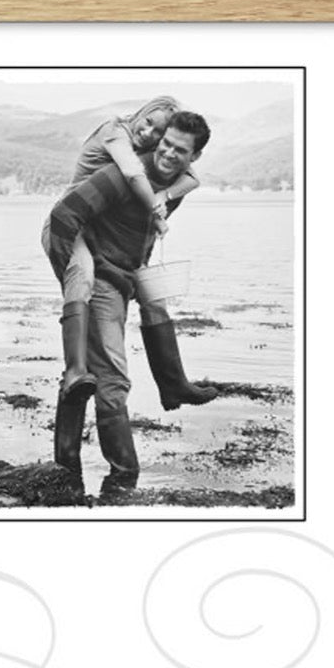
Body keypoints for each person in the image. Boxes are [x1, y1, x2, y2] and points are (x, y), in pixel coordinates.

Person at [45, 111, 217, 488]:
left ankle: (171, 385)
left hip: (129, 273)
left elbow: (144, 231)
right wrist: (76, 281)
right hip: (103, 280)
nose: (169, 154)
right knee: (113, 377)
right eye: (166, 144)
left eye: (180, 150)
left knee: (156, 304)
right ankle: (122, 475)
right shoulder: (122, 177)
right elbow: (64, 215)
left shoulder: (175, 187)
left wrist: (138, 272)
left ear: (194, 157)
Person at [41, 97, 203, 403]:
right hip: (67, 223)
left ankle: (172, 384)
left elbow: (193, 177)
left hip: (90, 228)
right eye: (148, 122)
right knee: (83, 278)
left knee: (154, 297)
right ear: (140, 113)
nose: (150, 134)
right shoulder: (116, 134)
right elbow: (131, 173)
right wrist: (158, 209)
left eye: (159, 132)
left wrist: (167, 193)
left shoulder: (152, 156)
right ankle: (75, 369)